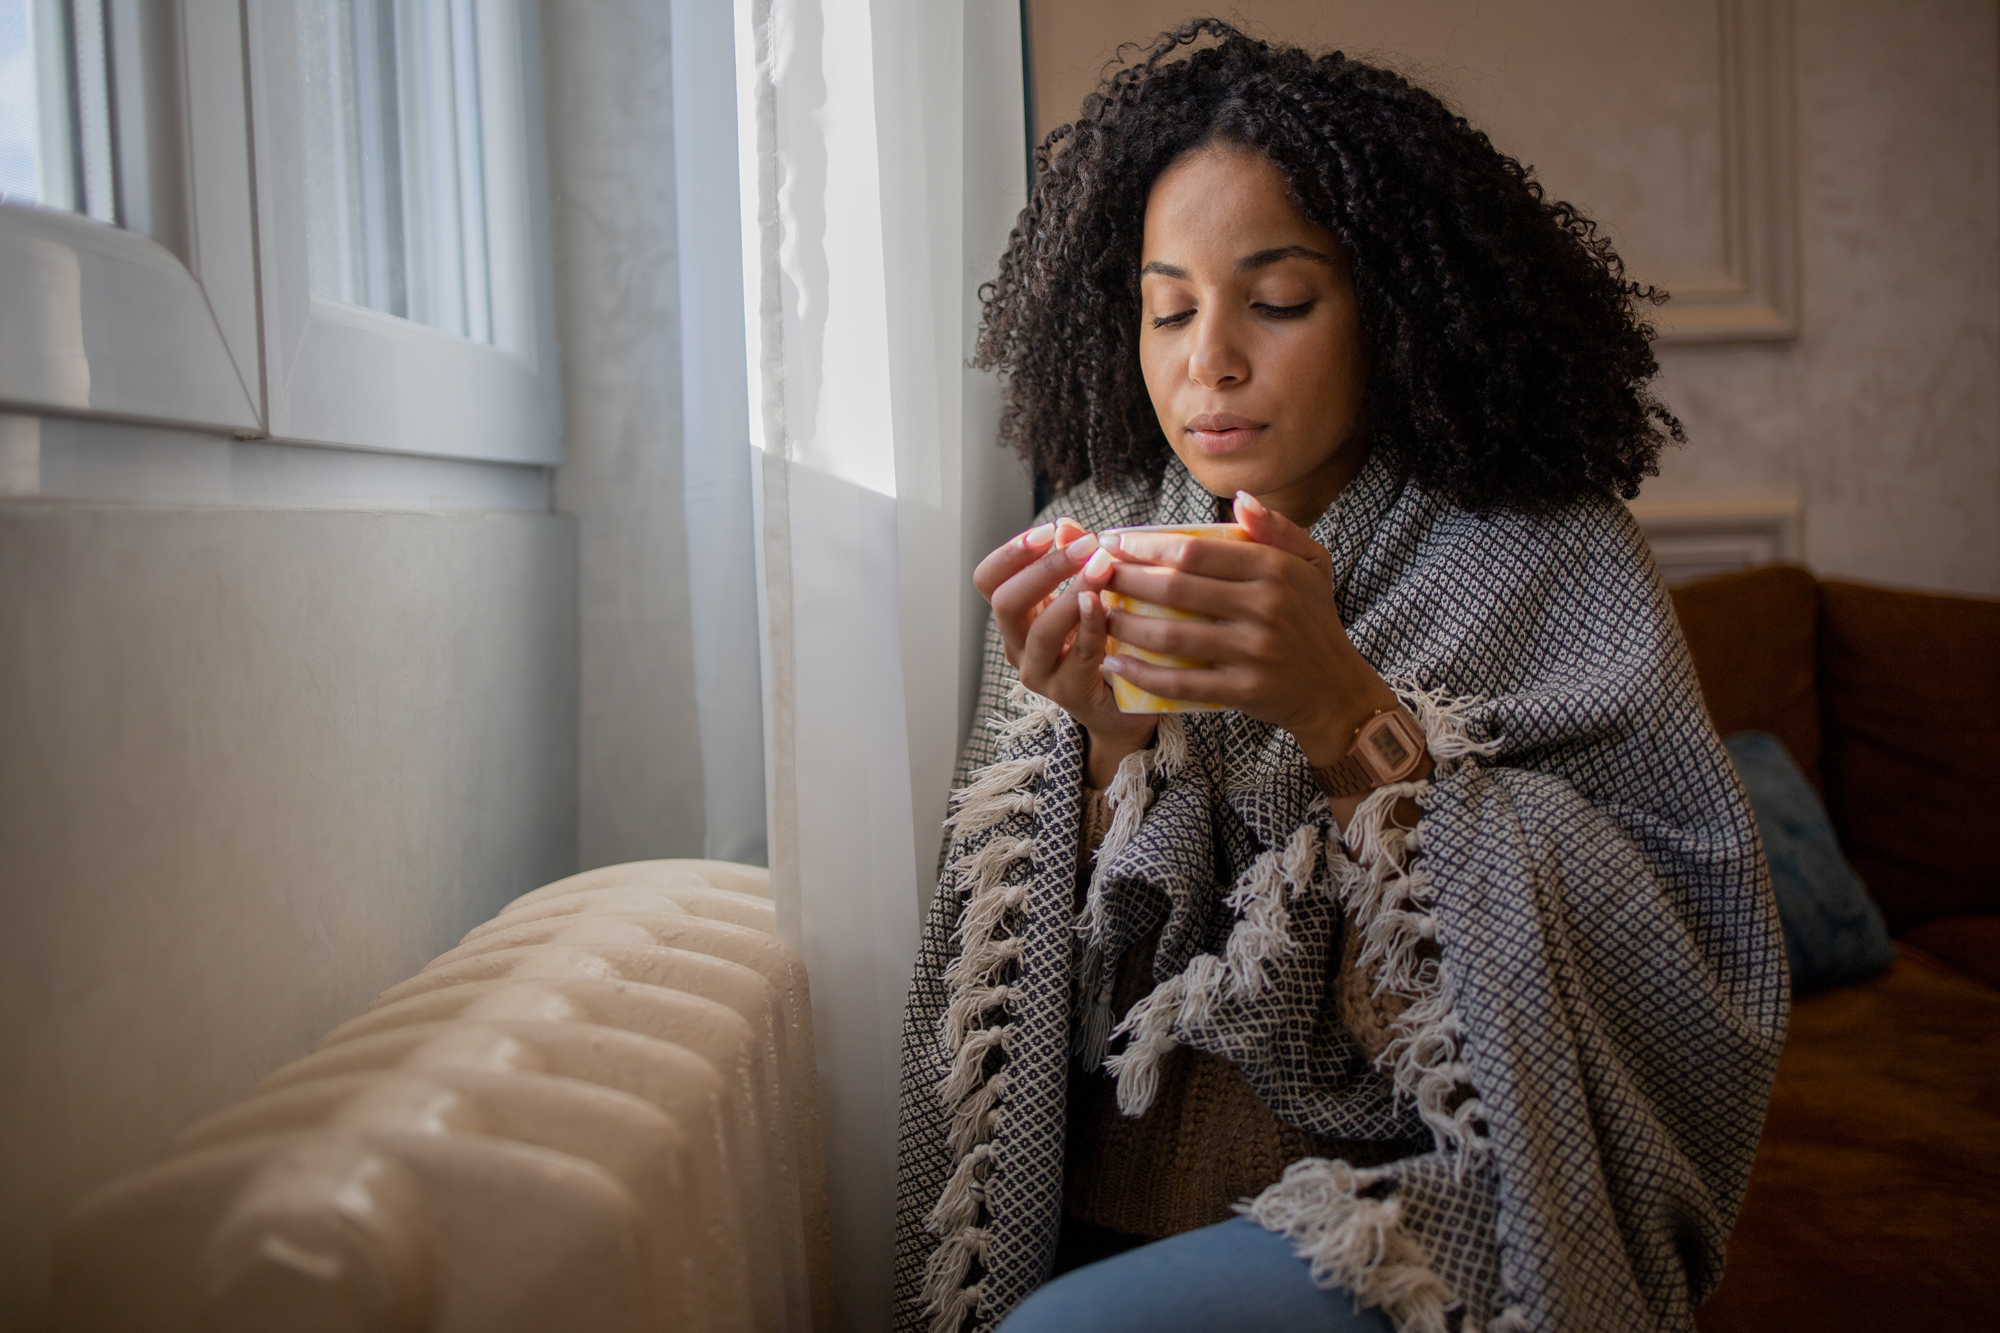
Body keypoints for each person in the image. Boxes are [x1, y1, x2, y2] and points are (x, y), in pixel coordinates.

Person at [893, 21, 1787, 1333]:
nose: (1210, 362)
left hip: (1421, 1198)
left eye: (1279, 300)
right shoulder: (1095, 533)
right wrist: (1099, 752)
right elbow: (1039, 1010)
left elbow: (1680, 965)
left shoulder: (1544, 555)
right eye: (1169, 307)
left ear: (1395, 307)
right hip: (1108, 1187)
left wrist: (1341, 710)